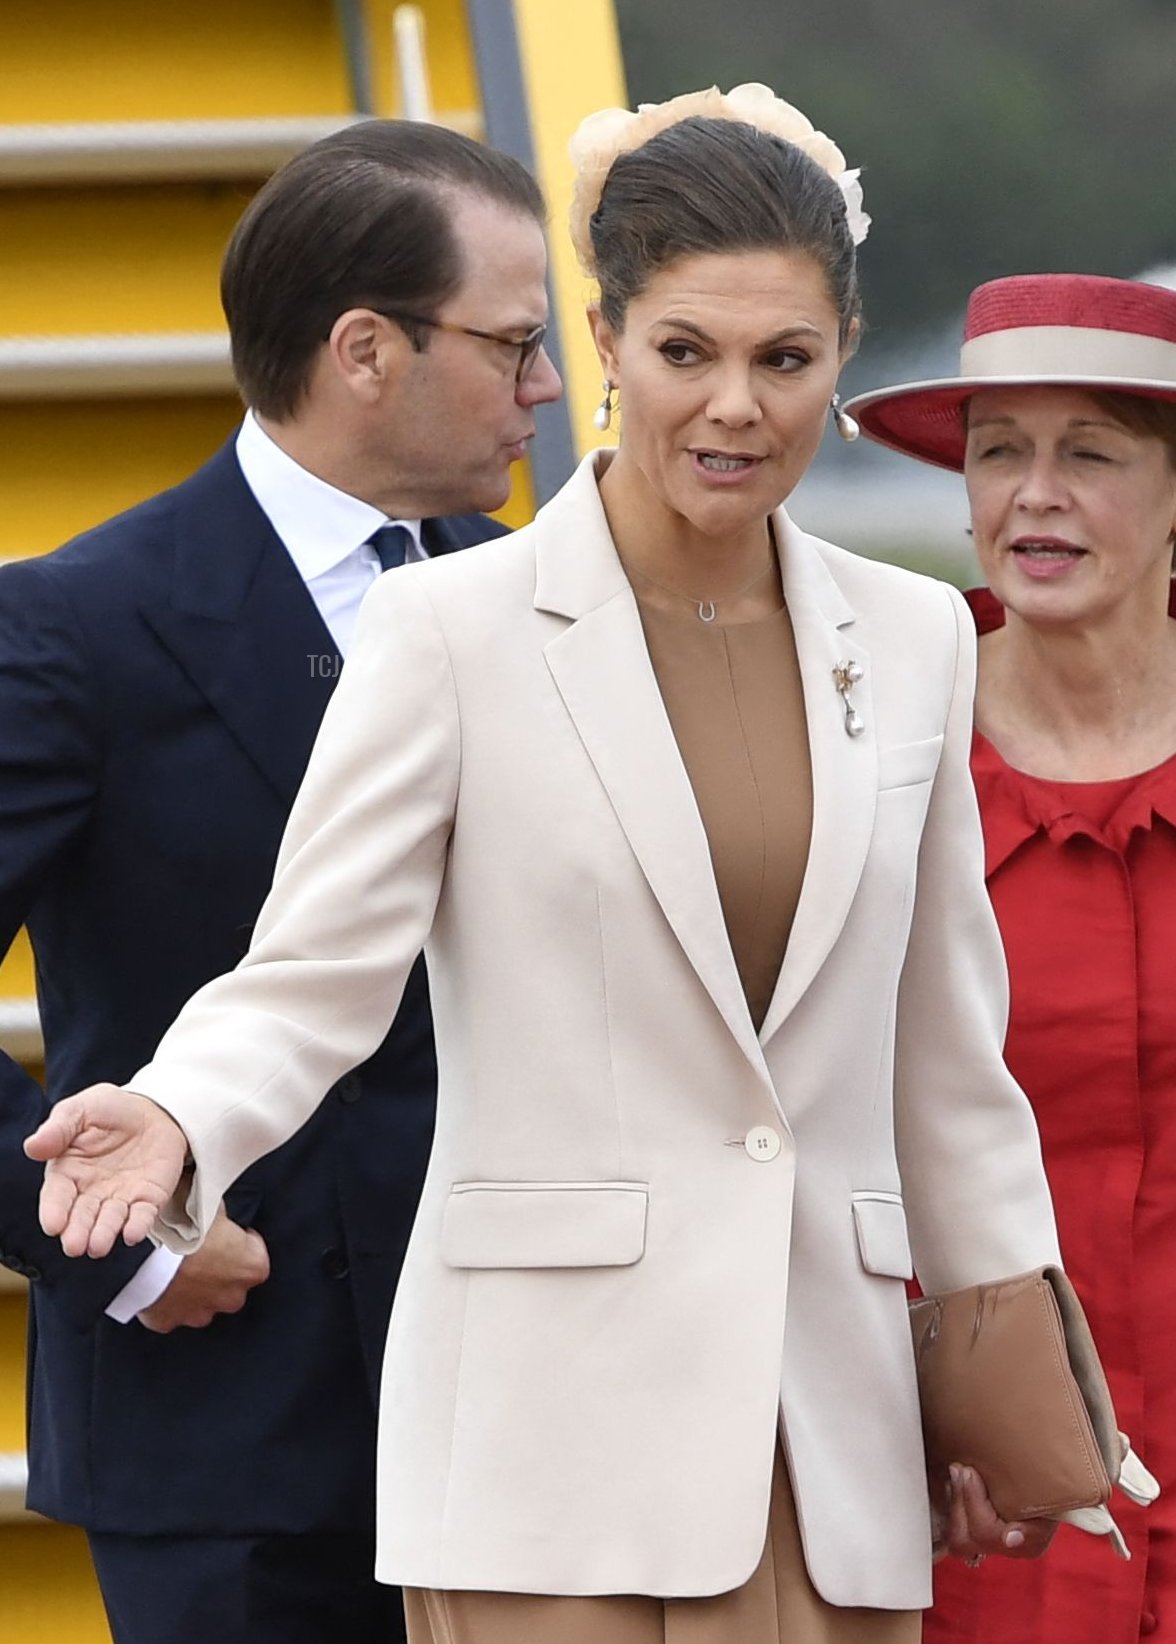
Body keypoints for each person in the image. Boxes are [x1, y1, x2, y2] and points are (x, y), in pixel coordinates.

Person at [27, 86, 1065, 1644]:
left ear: (844, 357)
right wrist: (175, 1121)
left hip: (826, 1439)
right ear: (603, 341)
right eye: (685, 354)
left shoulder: (915, 637)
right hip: (542, 1448)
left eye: (786, 360)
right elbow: (312, 977)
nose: (736, 408)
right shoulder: (448, 627)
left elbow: (946, 1054)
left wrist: (1001, 1367)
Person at [0, 118, 560, 1644]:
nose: (549, 390)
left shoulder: (552, 602)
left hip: (536, 1423)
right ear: (366, 349)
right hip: (227, 1438)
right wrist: (110, 1248)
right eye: (513, 343)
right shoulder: (75, 629)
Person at [845, 271, 1176, 1643]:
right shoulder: (869, 764)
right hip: (985, 1505)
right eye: (999, 452)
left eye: (1089, 454)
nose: (1034, 493)